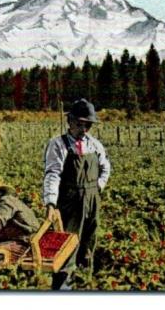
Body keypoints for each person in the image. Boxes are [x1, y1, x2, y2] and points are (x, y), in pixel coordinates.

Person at [43, 98, 111, 290]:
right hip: (70, 201)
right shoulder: (58, 144)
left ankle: (84, 280)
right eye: (79, 124)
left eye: (87, 125)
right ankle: (64, 287)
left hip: (92, 198)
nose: (83, 129)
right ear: (70, 122)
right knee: (68, 242)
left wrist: (98, 187)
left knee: (89, 239)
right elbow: (53, 173)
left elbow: (106, 168)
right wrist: (50, 202)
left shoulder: (95, 145)